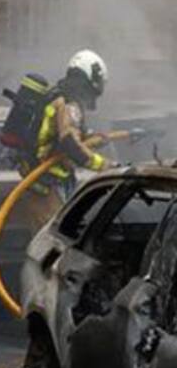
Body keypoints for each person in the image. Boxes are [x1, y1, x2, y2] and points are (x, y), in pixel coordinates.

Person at [19, 49, 113, 232]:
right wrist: (106, 166)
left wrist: (94, 138)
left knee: (54, 237)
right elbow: (70, 143)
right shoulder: (69, 103)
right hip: (48, 185)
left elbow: (65, 133)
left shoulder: (59, 96)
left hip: (43, 182)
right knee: (53, 240)